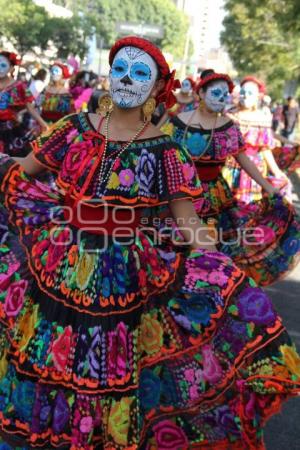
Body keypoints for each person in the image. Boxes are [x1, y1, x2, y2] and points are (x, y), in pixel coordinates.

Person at [0, 37, 299, 450]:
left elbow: (188, 222)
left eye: (140, 72)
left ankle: (101, 436)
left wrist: (221, 271)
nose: (126, 78)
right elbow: (26, 169)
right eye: (120, 68)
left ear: (158, 86)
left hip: (125, 271)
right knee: (54, 352)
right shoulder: (73, 128)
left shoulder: (166, 150)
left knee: (111, 363)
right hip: (60, 261)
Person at [162, 69, 299, 286]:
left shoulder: (228, 127)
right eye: (216, 92)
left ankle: (203, 289)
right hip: (182, 193)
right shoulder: (178, 122)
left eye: (225, 94)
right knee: (175, 245)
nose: (222, 98)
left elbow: (244, 160)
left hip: (215, 196)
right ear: (200, 93)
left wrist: (269, 187)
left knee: (210, 247)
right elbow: (160, 153)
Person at [223, 76, 289, 204]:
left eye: (250, 93)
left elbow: (265, 150)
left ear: (258, 96)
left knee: (248, 208)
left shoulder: (262, 119)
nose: (245, 96)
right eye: (243, 92)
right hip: (229, 168)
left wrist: (276, 171)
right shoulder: (228, 114)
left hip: (254, 172)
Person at [0, 51, 48, 156]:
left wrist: (42, 123)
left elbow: (30, 107)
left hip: (9, 131)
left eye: (3, 65)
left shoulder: (19, 86)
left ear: (11, 68)